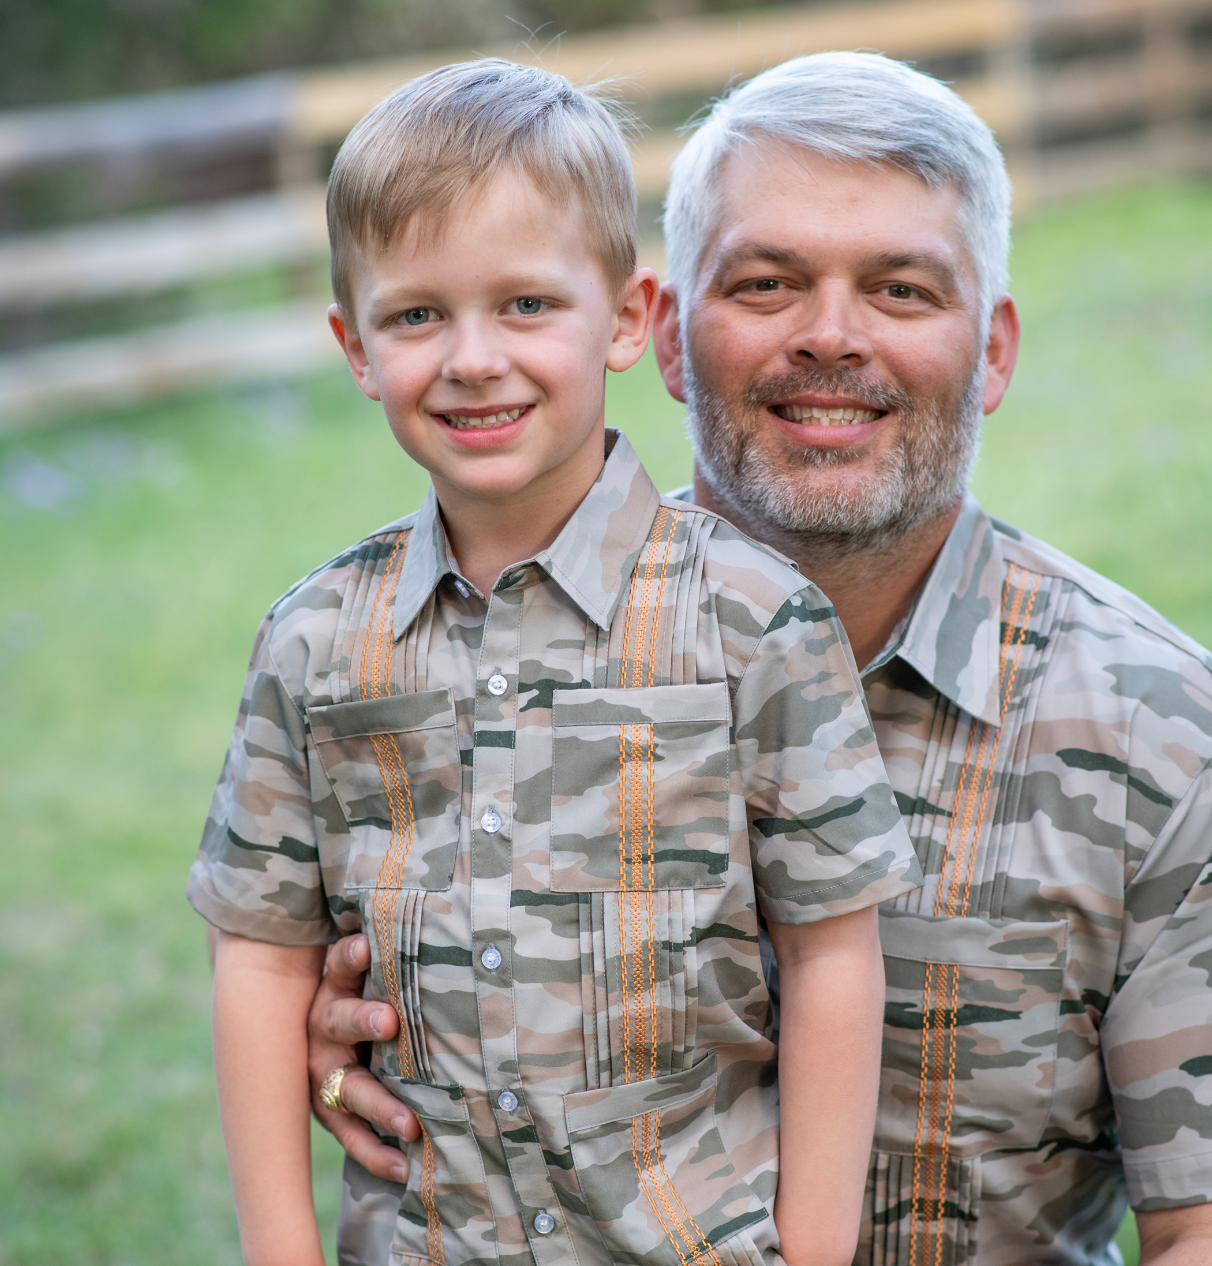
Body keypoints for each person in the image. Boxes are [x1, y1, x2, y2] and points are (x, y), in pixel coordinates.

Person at [307, 52, 1212, 1266]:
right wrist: (353, 1028)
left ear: (992, 352)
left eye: (899, 290)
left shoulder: (1162, 734)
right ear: (666, 337)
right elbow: (289, 952)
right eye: (768, 283)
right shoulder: (426, 672)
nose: (830, 337)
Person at [187, 58, 924, 1266]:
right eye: (418, 314)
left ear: (630, 317)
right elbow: (261, 958)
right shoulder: (313, 639)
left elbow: (832, 952)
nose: (474, 358)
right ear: (356, 346)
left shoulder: (752, 620)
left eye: (527, 304)